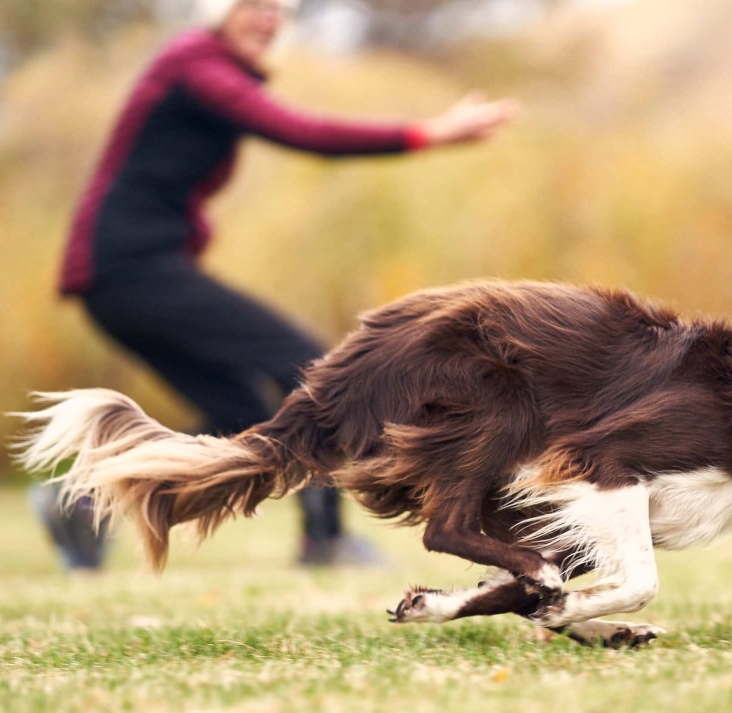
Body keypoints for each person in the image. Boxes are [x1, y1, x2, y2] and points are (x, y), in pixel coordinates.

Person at [33, 0, 518, 570]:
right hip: (132, 271)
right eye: (254, 5)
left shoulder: (203, 68)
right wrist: (425, 134)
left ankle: (83, 501)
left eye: (278, 10)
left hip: (126, 275)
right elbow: (302, 130)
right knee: (312, 367)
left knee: (235, 408)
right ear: (216, 10)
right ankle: (324, 540)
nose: (269, 18)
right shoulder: (195, 64)